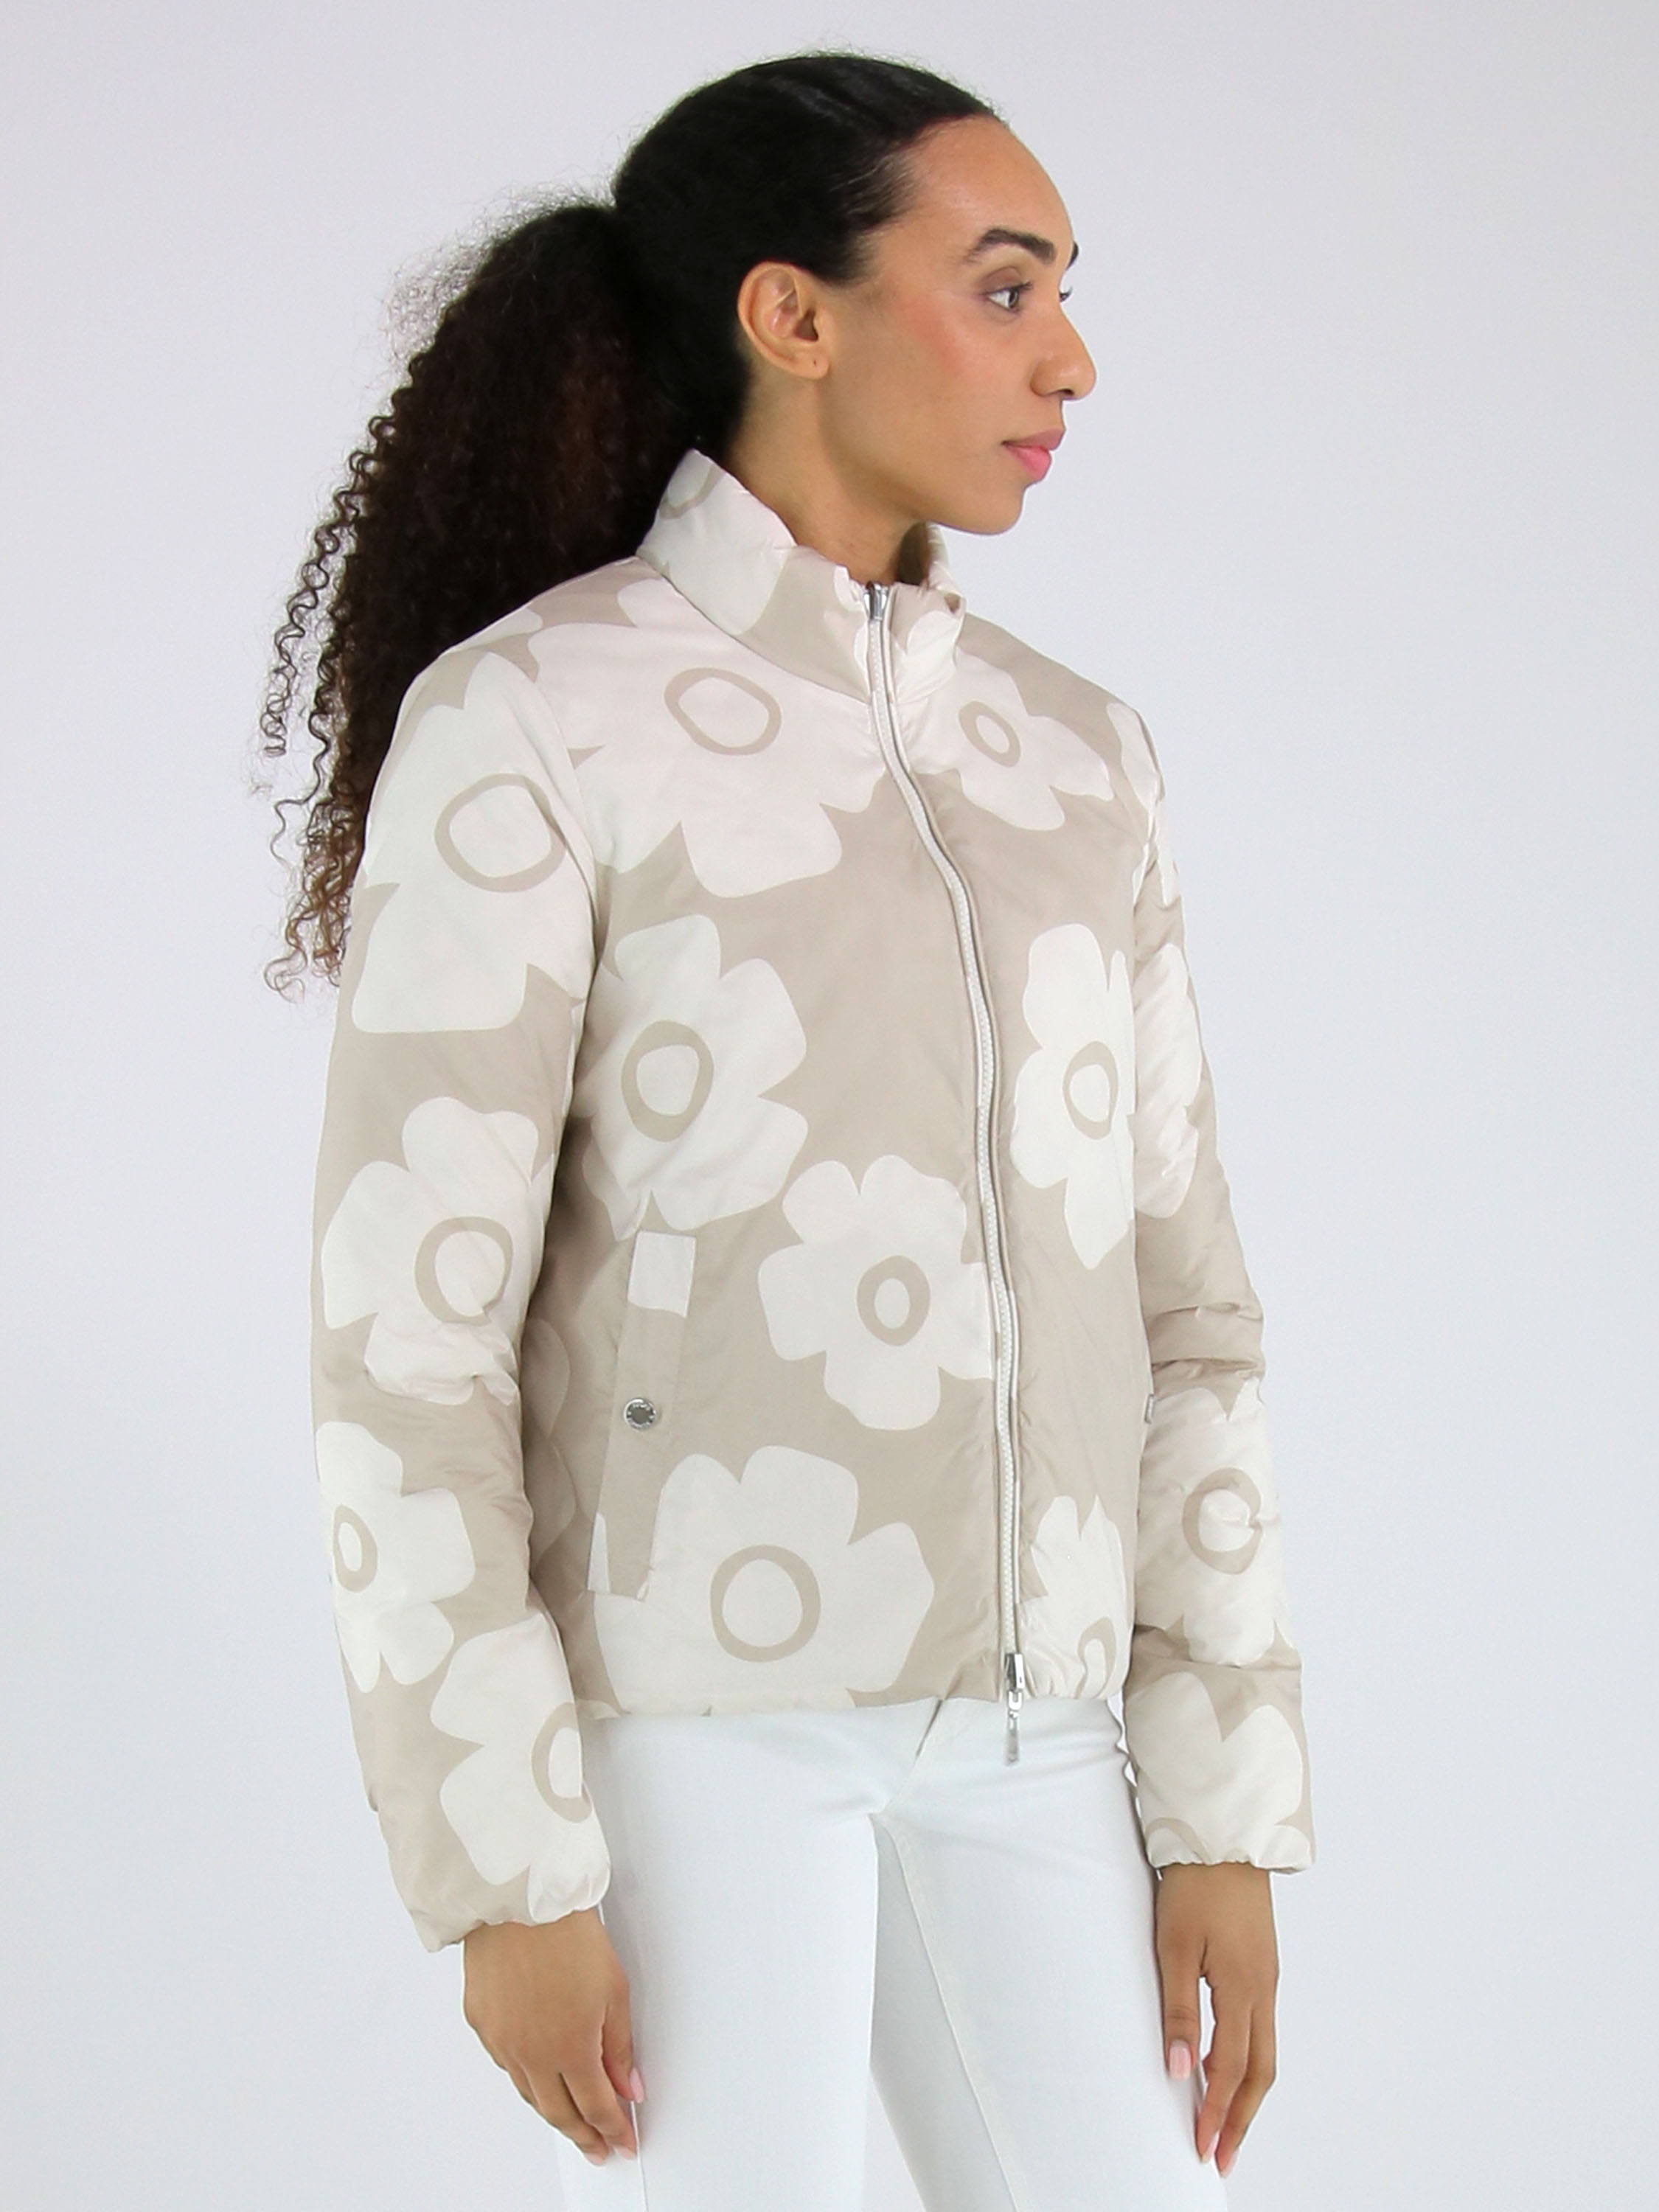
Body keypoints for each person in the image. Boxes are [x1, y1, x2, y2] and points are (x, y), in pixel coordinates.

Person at [262, 49, 1316, 2212]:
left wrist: (1217, 1802)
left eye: (1065, 294)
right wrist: (502, 1862)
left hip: (1043, 1730)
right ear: (790, 314)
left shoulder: (1074, 760)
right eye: (1004, 288)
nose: (1070, 358)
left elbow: (1189, 1312)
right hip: (689, 1734)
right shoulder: (537, 720)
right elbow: (407, 1341)